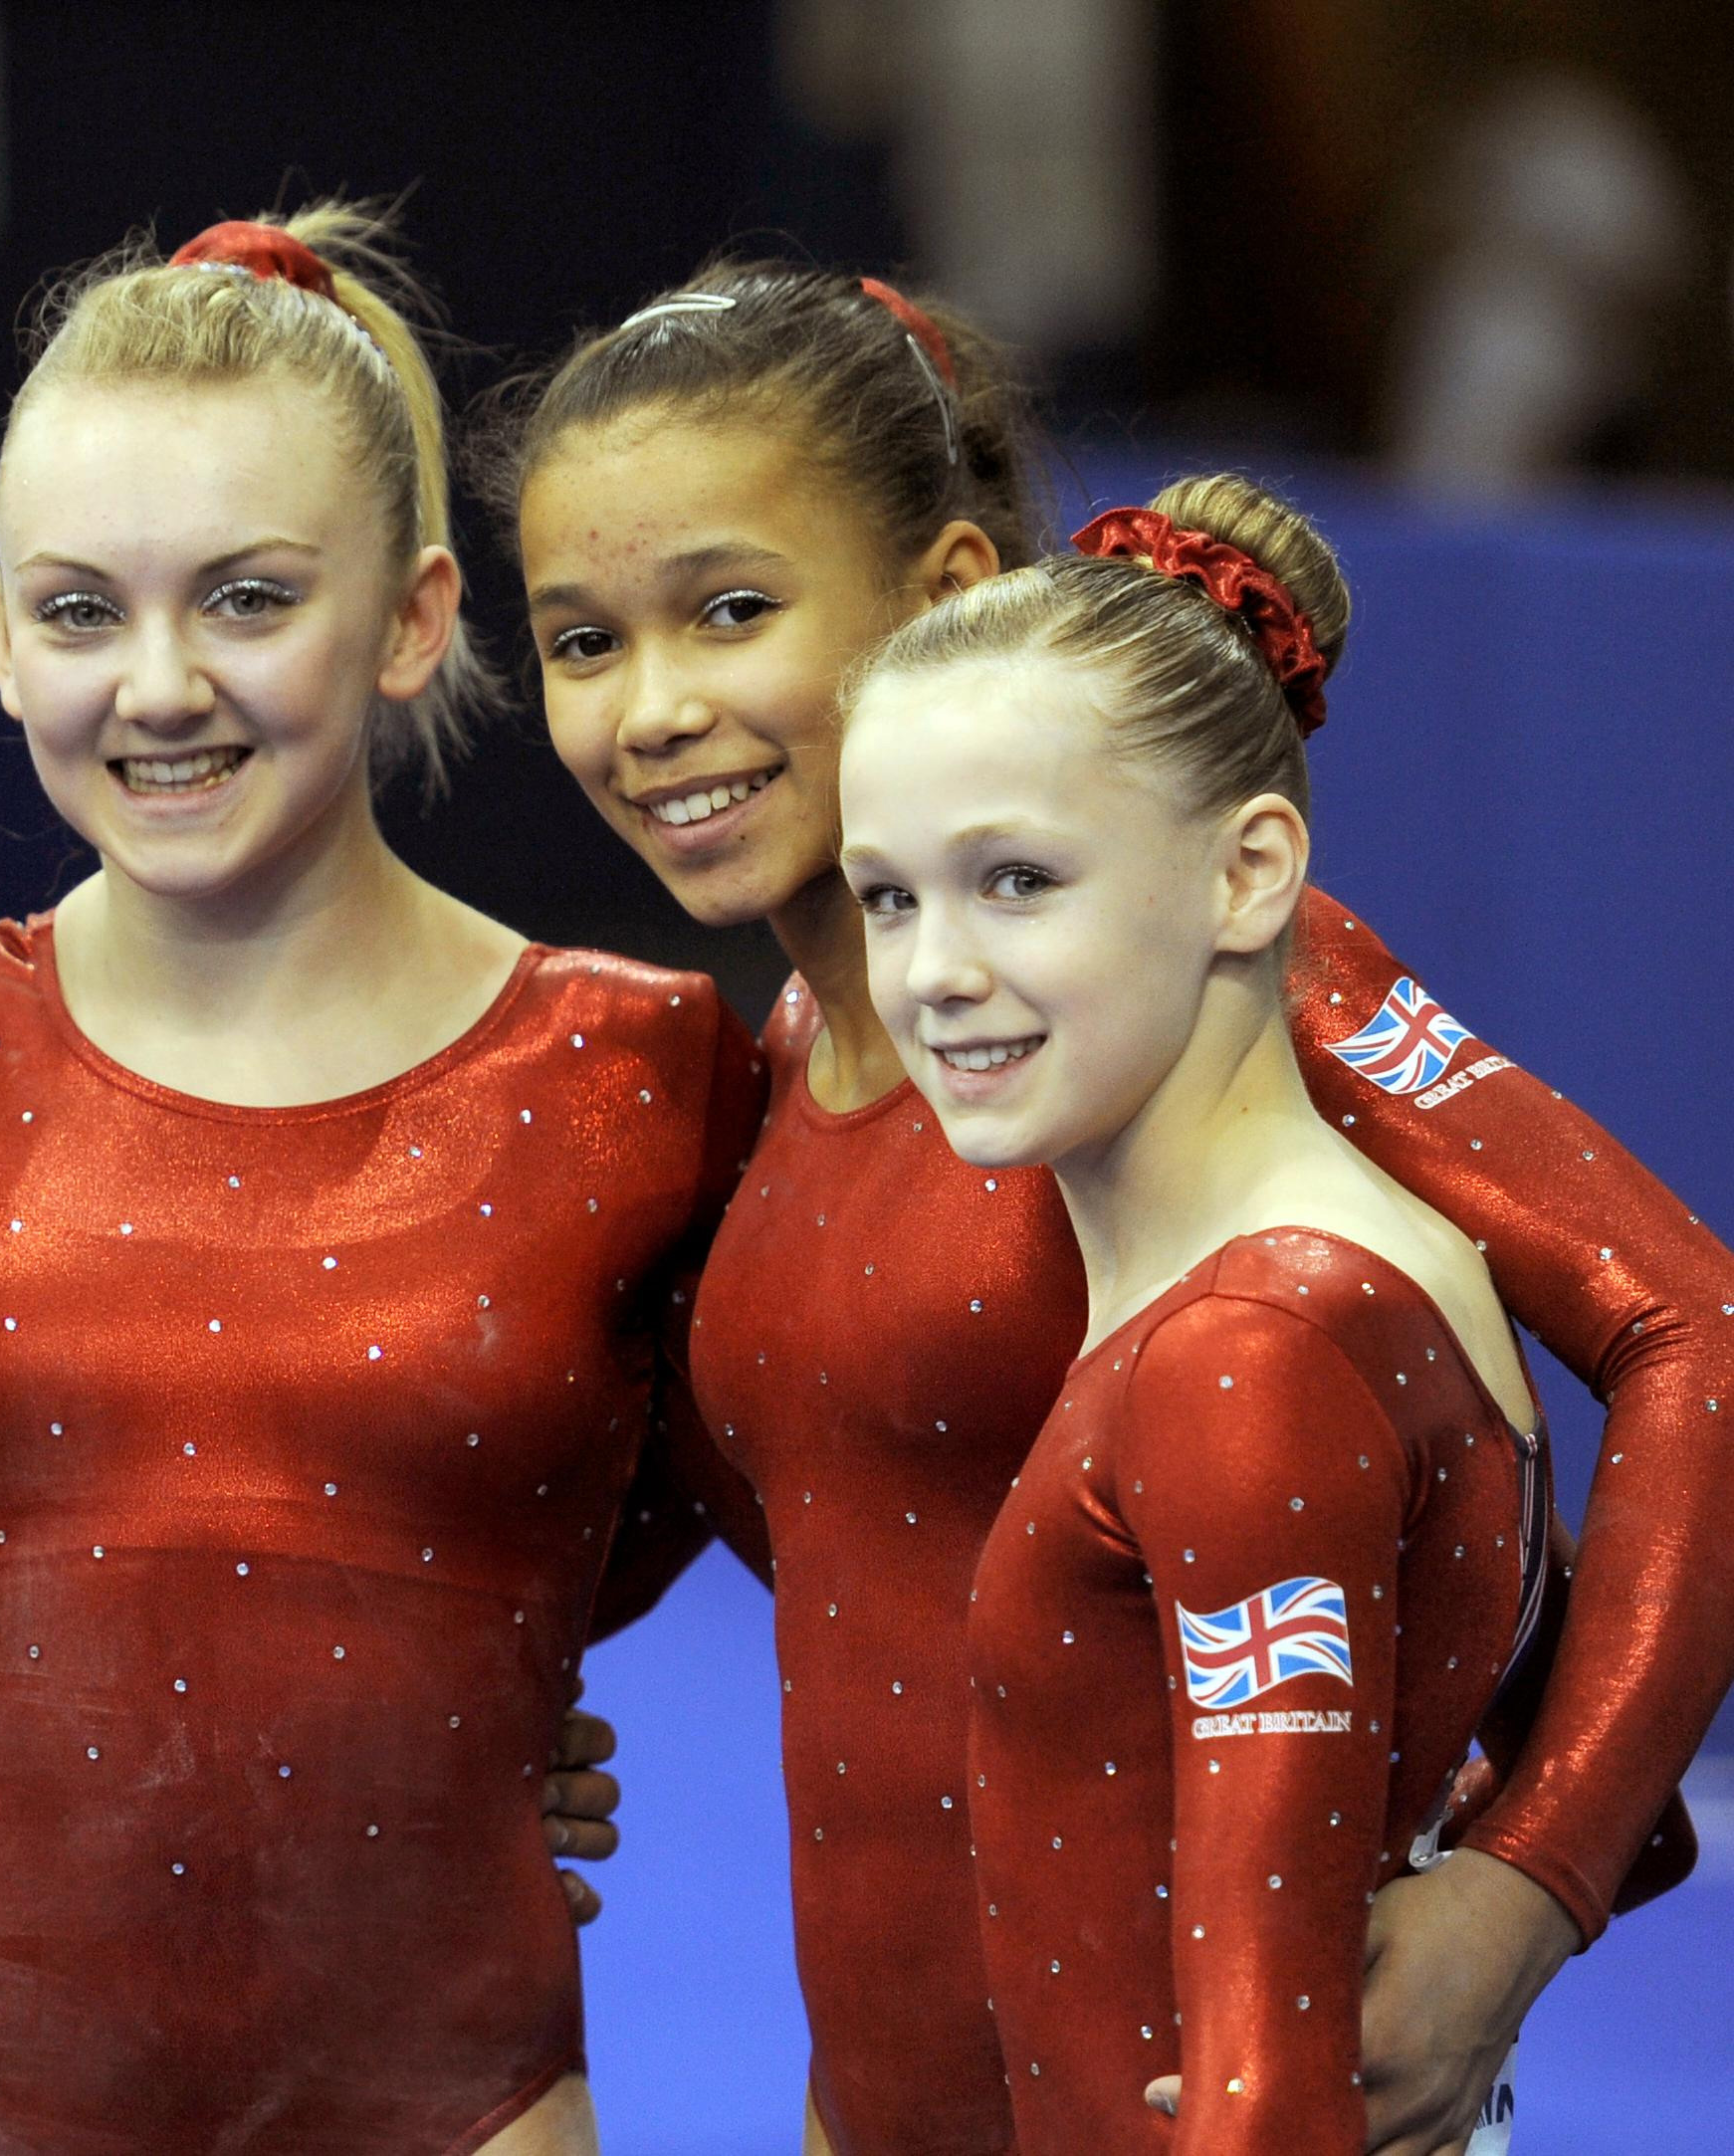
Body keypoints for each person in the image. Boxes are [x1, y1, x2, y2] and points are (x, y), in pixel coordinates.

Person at [488, 264, 1727, 2153]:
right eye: (582, 642)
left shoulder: (1231, 978)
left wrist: (1526, 1885)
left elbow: (1695, 1329)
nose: (651, 709)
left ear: (948, 594)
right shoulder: (804, 1049)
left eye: (731, 611)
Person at [0, 206, 758, 2156]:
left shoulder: (630, 1068)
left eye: (245, 600)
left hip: (456, 2083)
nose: (157, 686)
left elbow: (747, 1491)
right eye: (81, 612)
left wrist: (450, 1668)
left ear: (409, 617)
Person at [836, 476, 1541, 2152]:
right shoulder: (1298, 1281)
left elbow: (1268, 2084)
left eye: (1016, 879)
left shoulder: (1248, 1357)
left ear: (1248, 874)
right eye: (888, 895)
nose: (932, 967)